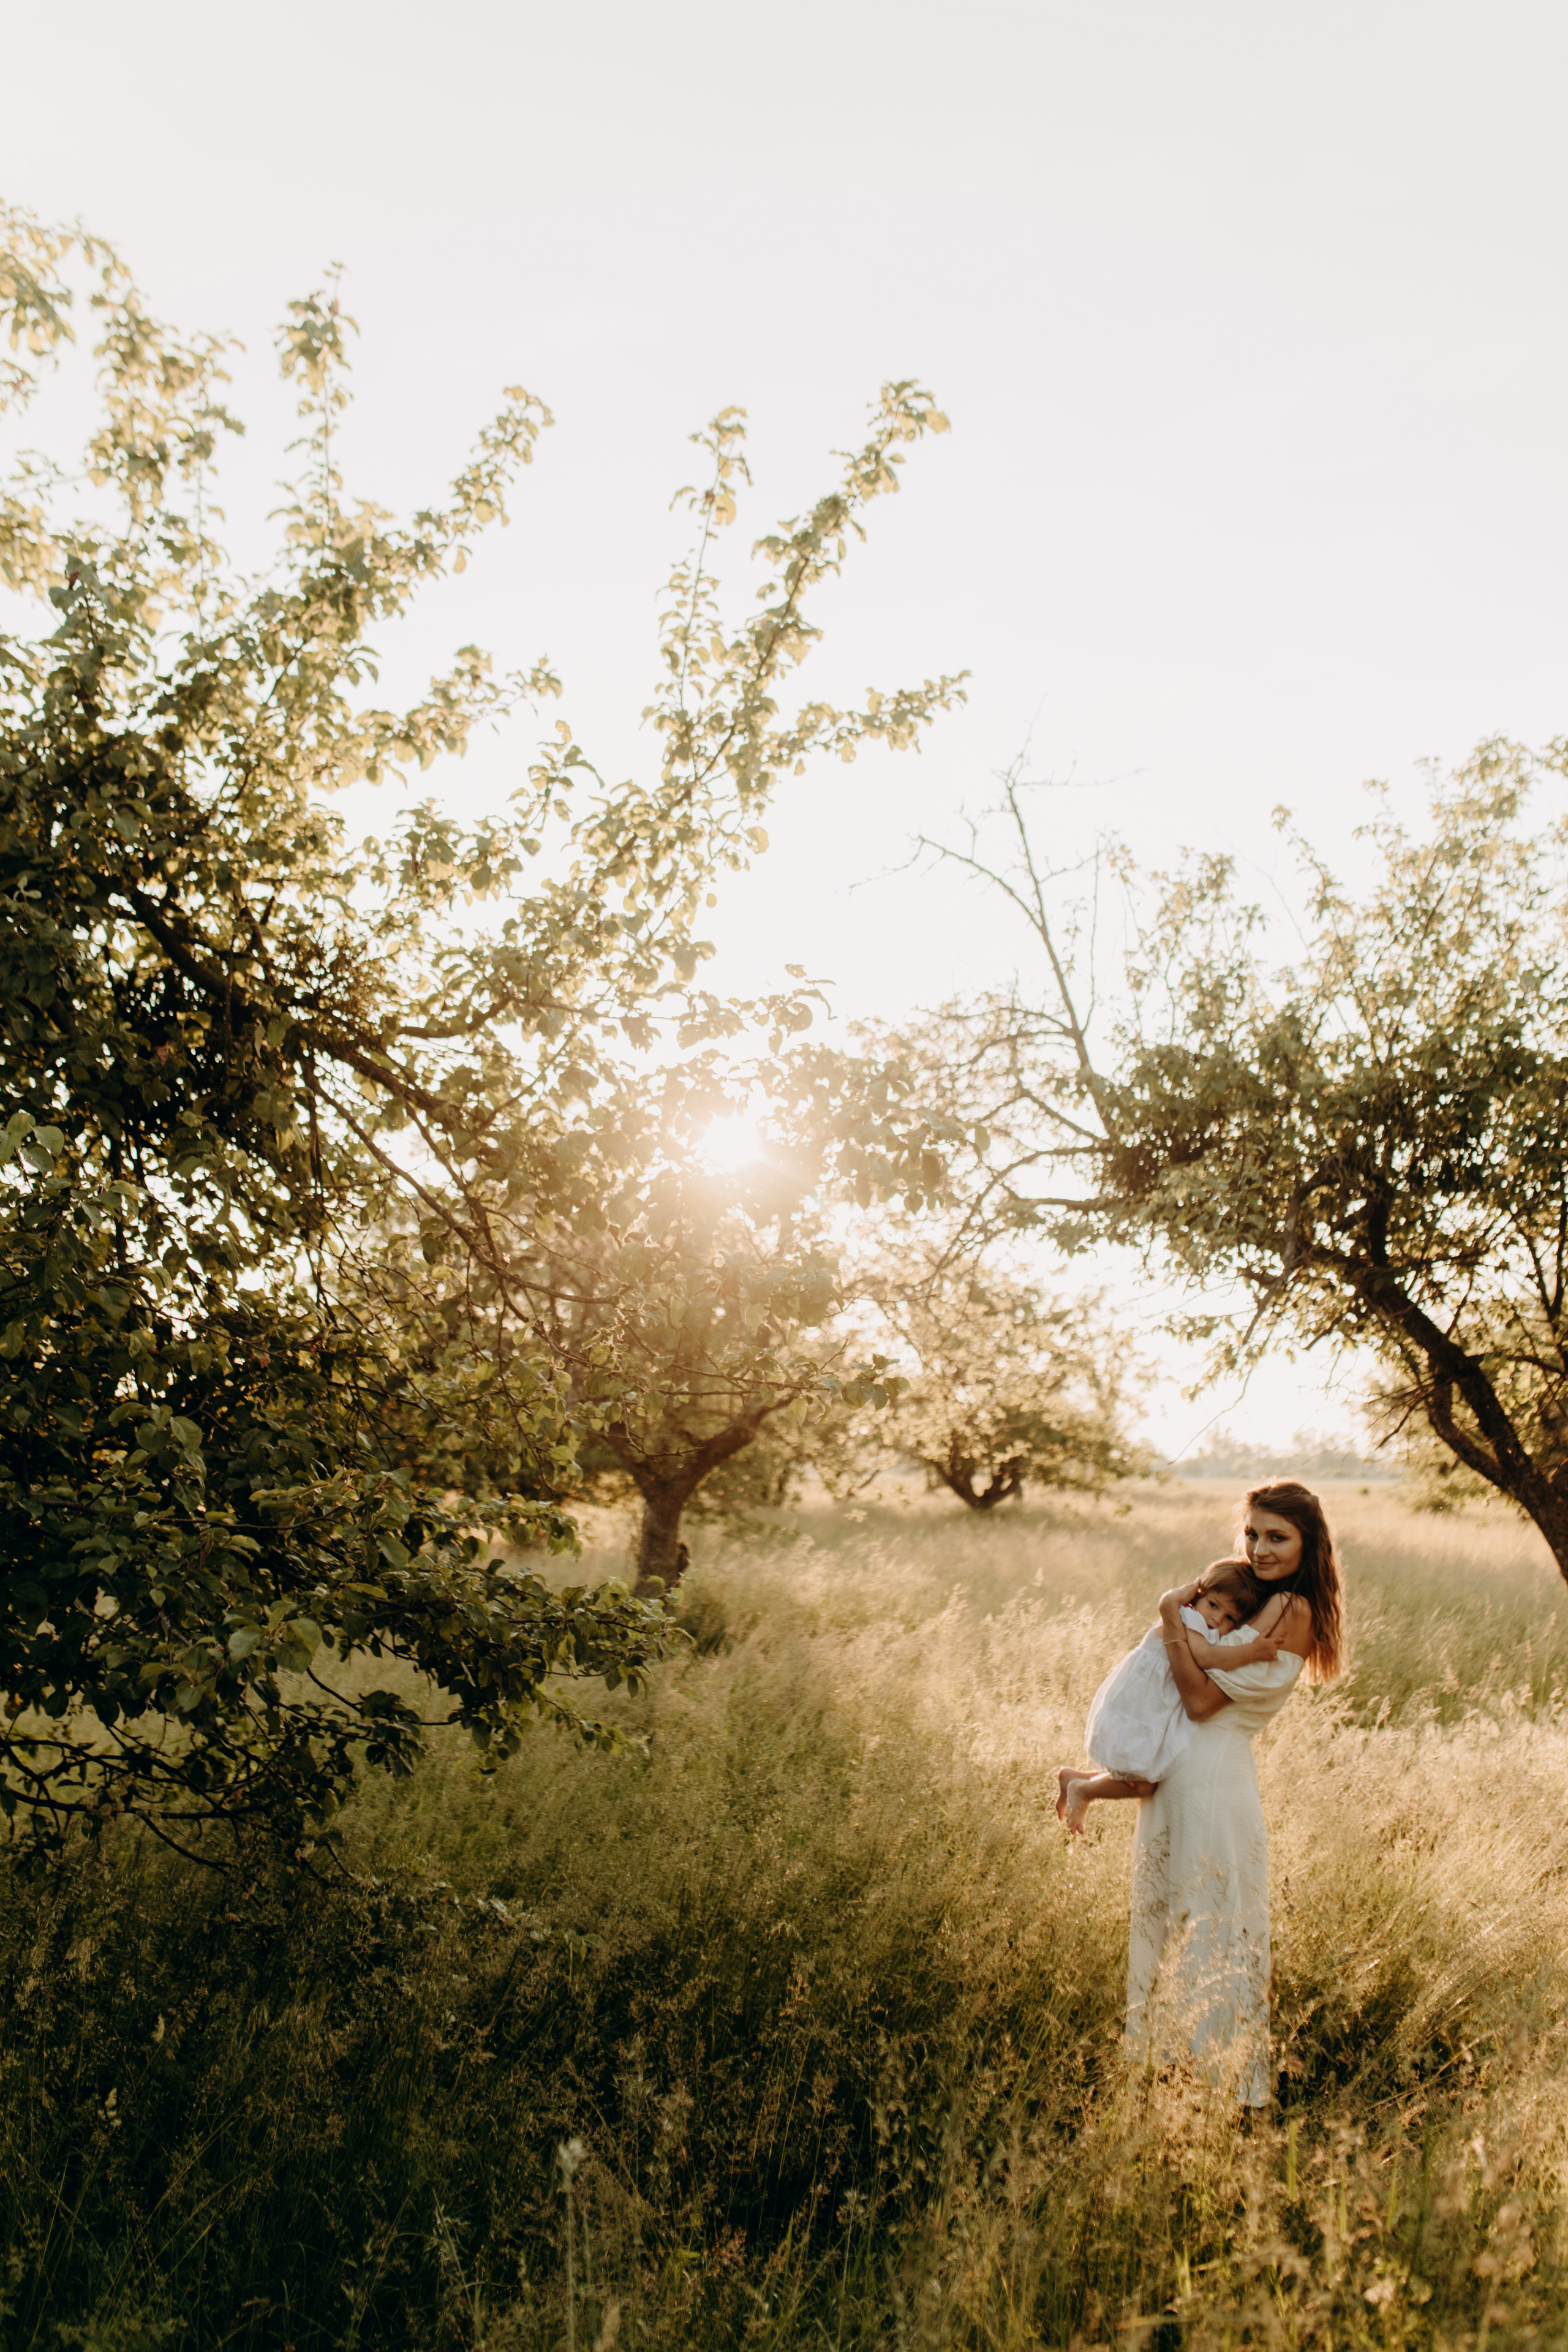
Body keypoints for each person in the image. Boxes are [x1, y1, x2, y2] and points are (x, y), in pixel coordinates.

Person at [1125, 1479, 1344, 2107]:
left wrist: (1171, 1616)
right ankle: (1170, 2085)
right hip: (1184, 1777)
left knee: (1213, 1931)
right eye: (1251, 1533)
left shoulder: (1292, 1613)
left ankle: (1216, 2088)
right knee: (1173, 1924)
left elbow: (1197, 1701)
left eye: (1277, 1537)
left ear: (1309, 1544)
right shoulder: (1255, 1601)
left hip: (1212, 1784)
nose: (1259, 1549)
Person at [1054, 1559, 1280, 1833]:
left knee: (1146, 1777)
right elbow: (1206, 1658)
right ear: (1197, 1596)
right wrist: (1252, 1652)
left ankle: (1075, 1778)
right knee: (1145, 1783)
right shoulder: (1189, 1618)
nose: (1217, 1619)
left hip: (1153, 1704)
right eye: (1213, 1605)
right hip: (1141, 1704)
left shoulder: (1203, 1624)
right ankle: (1084, 1789)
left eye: (1230, 1618)